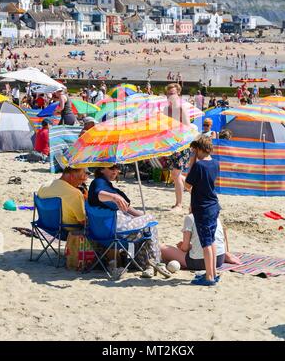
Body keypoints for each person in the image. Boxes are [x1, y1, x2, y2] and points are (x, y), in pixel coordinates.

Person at [88, 165, 171, 278]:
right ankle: (153, 263)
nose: (116, 171)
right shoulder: (99, 183)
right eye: (112, 168)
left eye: (117, 168)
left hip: (100, 233)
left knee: (146, 227)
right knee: (150, 223)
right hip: (117, 233)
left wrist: (140, 215)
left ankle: (148, 265)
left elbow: (127, 207)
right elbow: (99, 194)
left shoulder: (106, 185)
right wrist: (114, 197)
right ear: (102, 169)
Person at [185, 137, 221, 286]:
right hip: (213, 205)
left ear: (199, 149)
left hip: (203, 208)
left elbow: (187, 185)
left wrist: (192, 162)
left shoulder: (199, 166)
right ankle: (212, 273)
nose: (194, 153)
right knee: (211, 241)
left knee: (206, 243)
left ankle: (209, 278)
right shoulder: (215, 163)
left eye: (195, 150)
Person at [161, 212, 241, 270]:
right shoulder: (215, 215)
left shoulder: (190, 217)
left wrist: (182, 246)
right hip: (219, 259)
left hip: (200, 263)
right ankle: (227, 255)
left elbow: (184, 248)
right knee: (209, 242)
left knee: (162, 248)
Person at [164, 83, 192, 212]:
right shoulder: (166, 109)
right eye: (168, 94)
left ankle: (179, 205)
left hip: (182, 143)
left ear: (178, 94)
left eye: (173, 93)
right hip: (171, 144)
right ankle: (194, 189)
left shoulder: (181, 108)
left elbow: (187, 126)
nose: (170, 96)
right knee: (176, 175)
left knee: (175, 174)